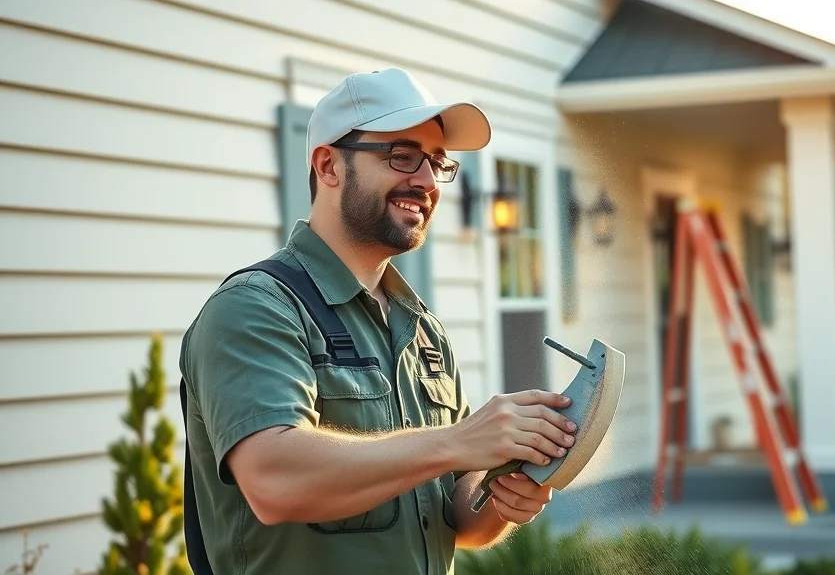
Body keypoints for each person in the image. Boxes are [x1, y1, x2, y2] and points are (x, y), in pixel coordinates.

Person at [178, 67, 578, 574]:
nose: (428, 181)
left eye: (436, 162)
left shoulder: (421, 329)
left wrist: (501, 497)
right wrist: (458, 442)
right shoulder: (256, 307)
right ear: (328, 166)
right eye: (402, 156)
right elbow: (275, 481)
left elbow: (456, 512)